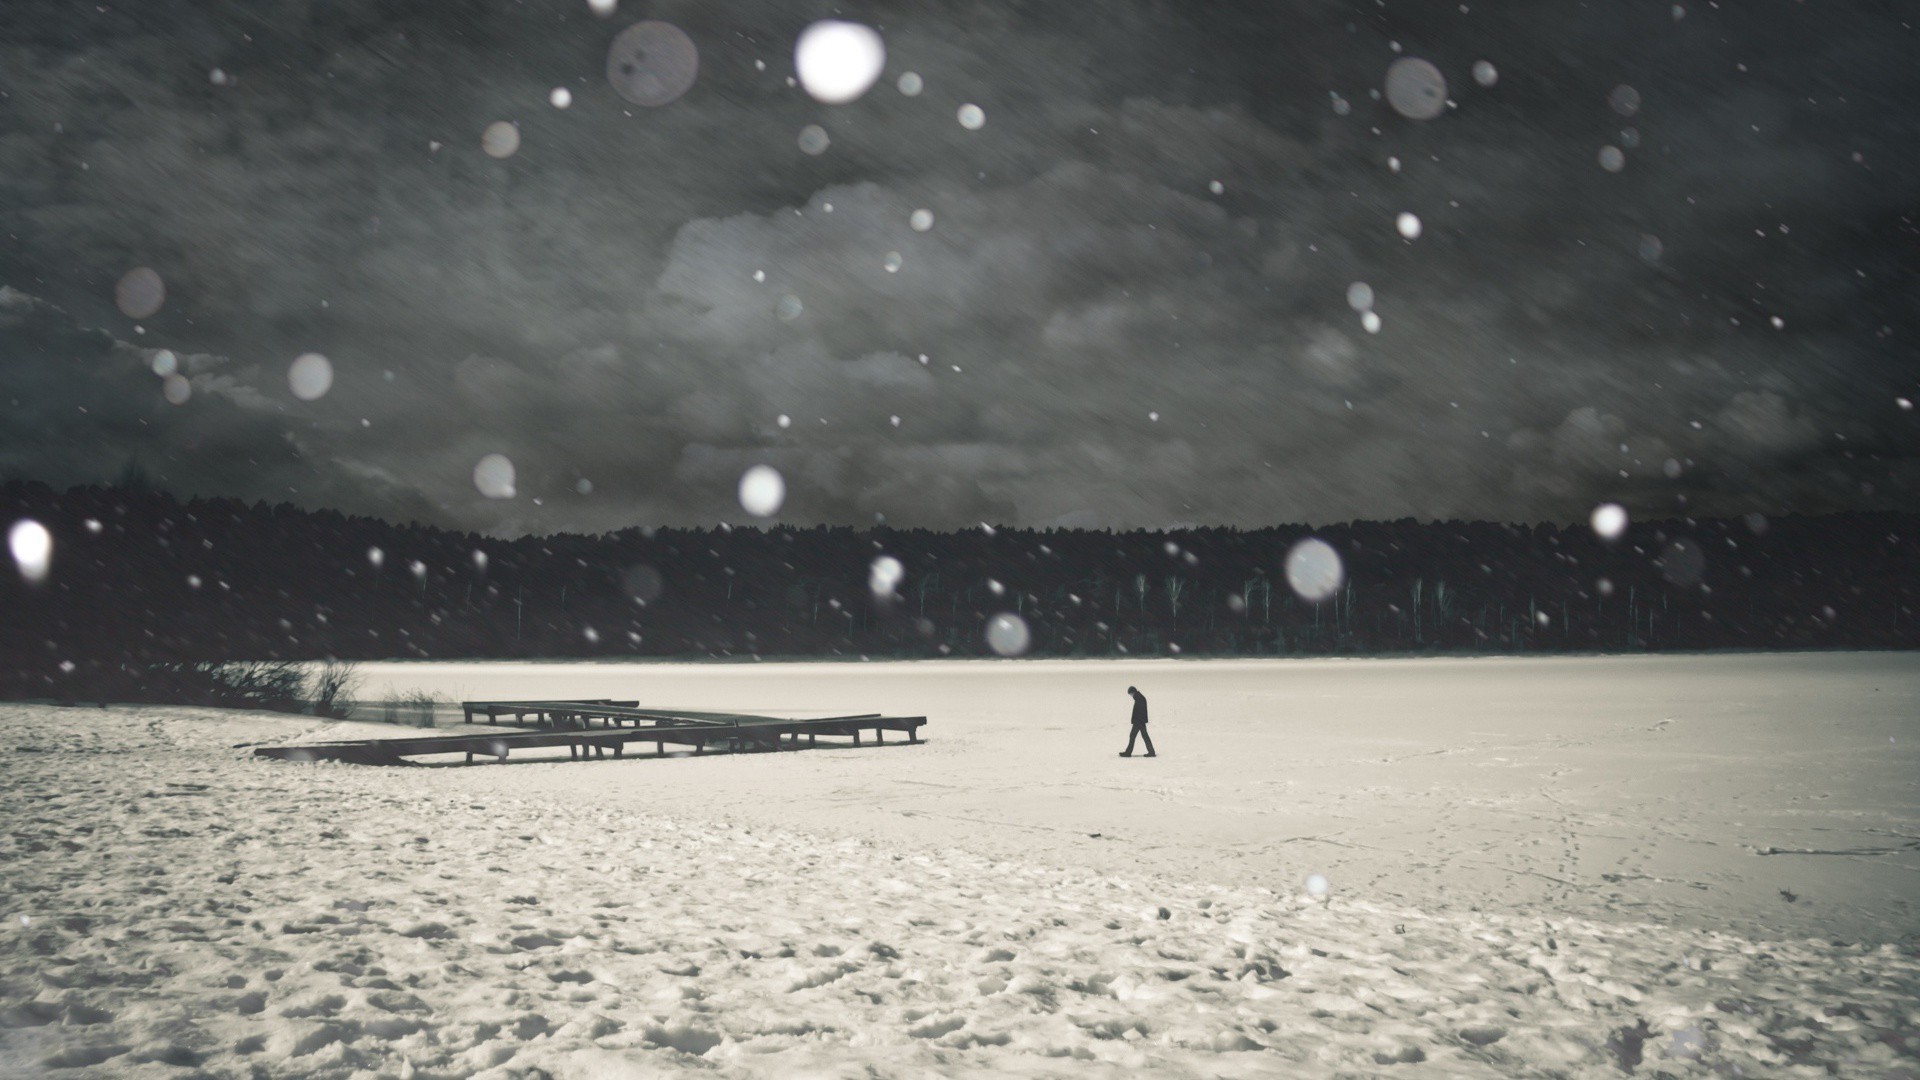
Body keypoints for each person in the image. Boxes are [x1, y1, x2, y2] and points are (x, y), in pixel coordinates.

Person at [1120, 685, 1155, 757]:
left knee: (1133, 736)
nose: (1130, 696)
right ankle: (1151, 752)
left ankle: (1128, 753)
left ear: (1133, 692)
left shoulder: (1139, 698)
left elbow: (1140, 712)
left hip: (1138, 721)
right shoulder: (1139, 697)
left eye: (1130, 694)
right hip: (1140, 721)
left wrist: (1136, 721)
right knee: (1144, 736)